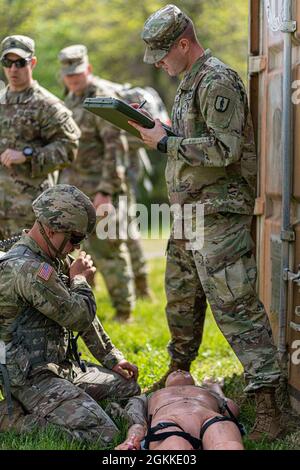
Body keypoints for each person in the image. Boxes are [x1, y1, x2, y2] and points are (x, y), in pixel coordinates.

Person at [129, 4, 282, 440]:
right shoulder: (187, 84)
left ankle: (269, 401)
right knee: (181, 299)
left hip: (217, 216)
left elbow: (223, 149)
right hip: (186, 214)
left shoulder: (218, 80)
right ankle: (178, 372)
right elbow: (187, 141)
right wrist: (156, 128)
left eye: (162, 53)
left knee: (236, 309)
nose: (158, 62)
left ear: (183, 42)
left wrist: (167, 142)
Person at [0, 184, 140, 445]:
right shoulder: (28, 270)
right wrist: (80, 280)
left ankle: (68, 405)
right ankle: (12, 418)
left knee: (128, 387)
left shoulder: (50, 258)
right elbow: (78, 316)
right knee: (103, 435)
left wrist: (112, 358)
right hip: (33, 378)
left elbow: (84, 318)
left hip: (63, 368)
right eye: (74, 239)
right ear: (51, 229)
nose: (75, 248)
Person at [58, 44, 148, 320]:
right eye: (69, 74)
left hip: (100, 190)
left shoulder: (101, 98)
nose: (74, 79)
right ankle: (90, 308)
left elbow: (115, 148)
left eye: (78, 73)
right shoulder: (70, 100)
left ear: (89, 69)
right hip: (76, 191)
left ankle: (125, 312)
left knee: (109, 248)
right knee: (78, 252)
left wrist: (106, 192)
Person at [0, 35, 80, 240]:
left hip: (30, 215)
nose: (13, 69)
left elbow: (69, 147)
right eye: (7, 63)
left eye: (20, 62)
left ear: (32, 63)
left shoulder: (47, 105)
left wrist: (28, 154)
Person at [115, 370, 244, 450]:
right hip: (168, 423)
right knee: (175, 447)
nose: (179, 370)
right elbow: (136, 420)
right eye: (174, 371)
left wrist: (215, 387)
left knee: (227, 445)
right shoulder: (150, 395)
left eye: (184, 371)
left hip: (211, 419)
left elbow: (230, 408)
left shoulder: (205, 392)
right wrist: (131, 440)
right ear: (165, 383)